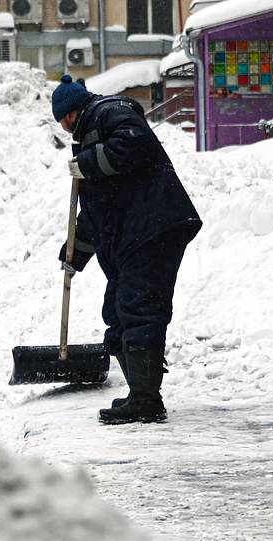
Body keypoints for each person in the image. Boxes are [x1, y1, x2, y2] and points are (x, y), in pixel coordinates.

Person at [50, 75, 202, 424]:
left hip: (154, 226)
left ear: (70, 113)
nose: (64, 126)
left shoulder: (111, 111)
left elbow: (136, 143)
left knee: (139, 305)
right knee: (117, 311)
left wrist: (89, 163)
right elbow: (98, 210)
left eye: (62, 119)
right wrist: (75, 253)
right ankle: (140, 391)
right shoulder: (92, 130)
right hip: (134, 231)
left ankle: (147, 399)